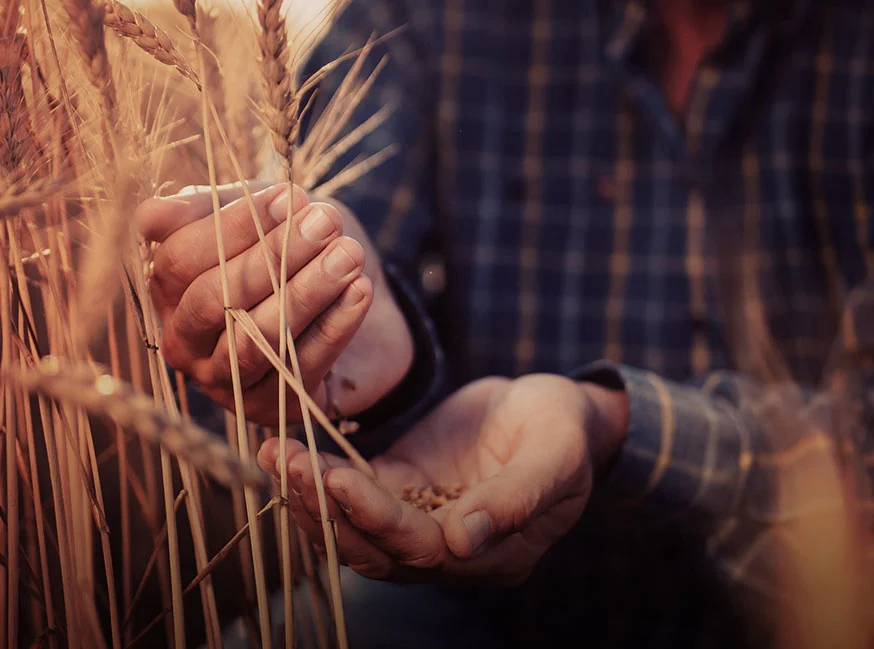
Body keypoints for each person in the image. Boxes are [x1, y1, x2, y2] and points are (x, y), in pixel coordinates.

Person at [135, 0, 874, 646]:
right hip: (477, 609)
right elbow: (326, 275)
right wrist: (357, 358)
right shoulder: (424, 17)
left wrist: (611, 424)